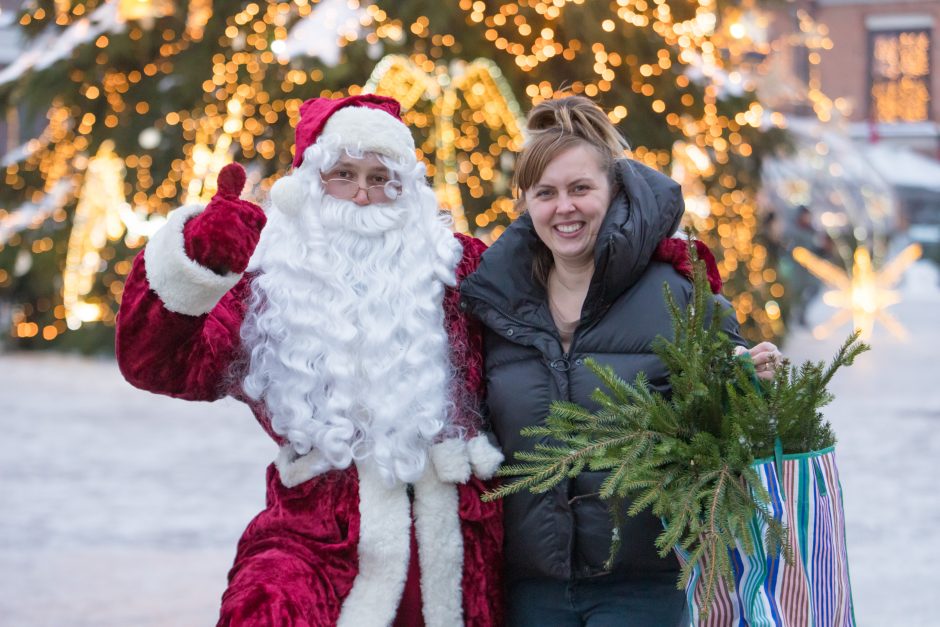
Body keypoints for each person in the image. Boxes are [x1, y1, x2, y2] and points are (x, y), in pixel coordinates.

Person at [115, 94, 506, 627]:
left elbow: (564, 287)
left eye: (381, 177)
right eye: (343, 174)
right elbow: (155, 363)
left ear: (408, 188)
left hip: (458, 533)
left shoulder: (457, 266)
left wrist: (655, 256)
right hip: (318, 533)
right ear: (309, 185)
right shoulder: (270, 283)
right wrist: (199, 264)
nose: (364, 196)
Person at [459, 96, 782, 626]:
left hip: (643, 588)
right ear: (526, 204)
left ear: (614, 191)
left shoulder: (679, 294)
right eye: (546, 193)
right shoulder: (495, 305)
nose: (564, 208)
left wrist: (749, 384)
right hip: (531, 591)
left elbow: (724, 422)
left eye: (581, 189)